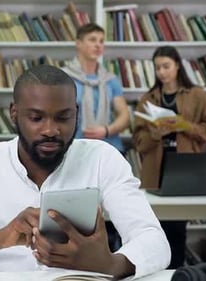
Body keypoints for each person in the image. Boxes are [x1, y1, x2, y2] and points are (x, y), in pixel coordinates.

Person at [0, 65, 170, 279]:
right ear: (14, 114)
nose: (50, 130)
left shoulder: (103, 159)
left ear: (76, 114)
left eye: (63, 117)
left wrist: (112, 264)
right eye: (36, 118)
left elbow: (154, 241)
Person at [132, 46, 206, 269]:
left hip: (185, 169)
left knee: (178, 229)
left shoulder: (197, 95)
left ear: (178, 66)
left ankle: (178, 274)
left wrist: (185, 125)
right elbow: (139, 143)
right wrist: (156, 132)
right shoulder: (148, 98)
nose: (161, 72)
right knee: (154, 230)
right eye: (157, 67)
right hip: (155, 170)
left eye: (166, 66)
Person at [62, 23, 130, 252]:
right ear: (78, 43)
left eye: (101, 40)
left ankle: (114, 257)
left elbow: (124, 115)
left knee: (113, 211)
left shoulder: (110, 80)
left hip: (109, 150)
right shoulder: (65, 77)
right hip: (76, 153)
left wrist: (107, 130)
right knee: (80, 214)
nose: (98, 45)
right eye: (92, 39)